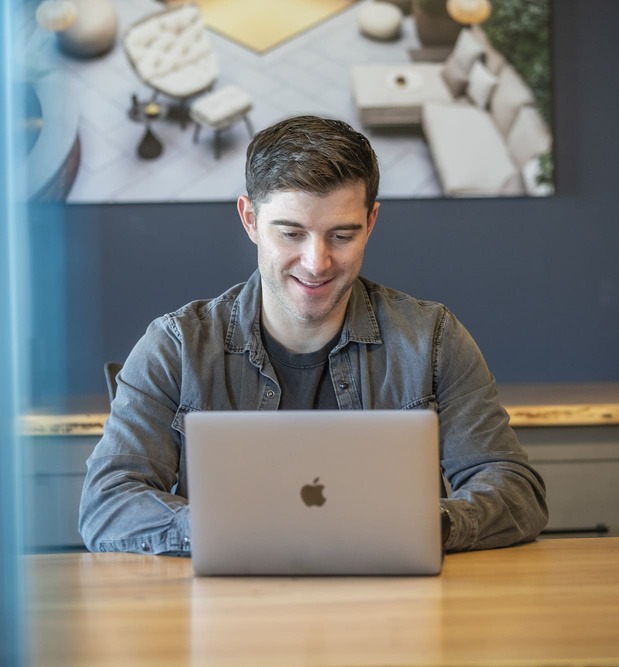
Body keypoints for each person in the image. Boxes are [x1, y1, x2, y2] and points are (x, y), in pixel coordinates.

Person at [79, 115, 548, 555]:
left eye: (342, 236)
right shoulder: (175, 346)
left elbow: (513, 488)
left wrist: (424, 525)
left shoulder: (433, 338)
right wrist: (240, 529)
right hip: (230, 621)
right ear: (250, 221)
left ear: (371, 223)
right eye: (291, 233)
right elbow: (108, 503)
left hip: (395, 622)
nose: (316, 262)